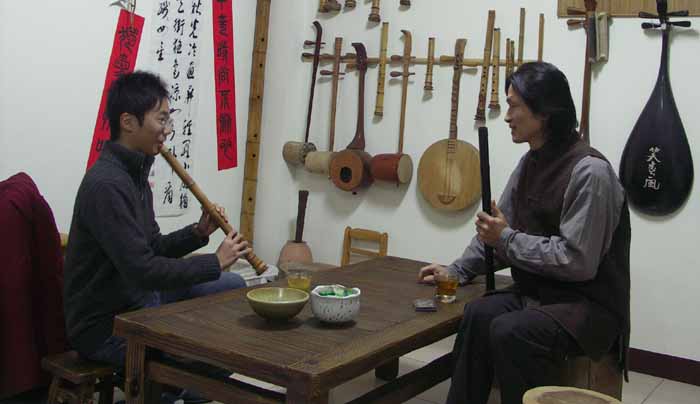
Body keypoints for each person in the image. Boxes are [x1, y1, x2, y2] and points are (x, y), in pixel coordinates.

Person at [418, 62, 630, 404]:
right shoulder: (529, 163)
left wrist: (506, 238)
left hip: (587, 306)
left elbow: (577, 261)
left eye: (514, 105)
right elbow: (495, 232)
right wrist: (456, 271)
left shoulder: (590, 172)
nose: (507, 116)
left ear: (544, 112)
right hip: (539, 295)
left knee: (509, 331)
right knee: (477, 314)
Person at [63, 71, 251, 401]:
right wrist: (214, 262)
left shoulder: (135, 174)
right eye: (161, 119)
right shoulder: (106, 185)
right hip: (106, 323)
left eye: (168, 119)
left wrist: (198, 233)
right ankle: (171, 390)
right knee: (205, 345)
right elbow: (143, 269)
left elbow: (153, 248)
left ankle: (178, 389)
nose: (167, 129)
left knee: (233, 288)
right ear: (128, 122)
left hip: (139, 300)